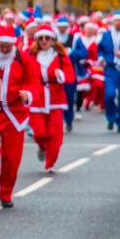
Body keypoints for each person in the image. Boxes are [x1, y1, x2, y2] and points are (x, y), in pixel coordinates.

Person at [0, 26, 37, 208]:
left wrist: (28, 93)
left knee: (12, 158)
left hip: (14, 113)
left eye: (7, 46)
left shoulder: (22, 58)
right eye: (1, 45)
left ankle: (5, 192)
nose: (4, 49)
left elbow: (33, 80)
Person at [29, 25, 75, 173]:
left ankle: (50, 163)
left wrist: (61, 75)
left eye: (47, 38)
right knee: (39, 133)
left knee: (55, 134)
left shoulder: (61, 57)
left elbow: (70, 76)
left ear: (53, 40)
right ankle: (42, 147)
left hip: (56, 98)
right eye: (41, 38)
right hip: (37, 99)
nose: (44, 41)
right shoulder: (30, 55)